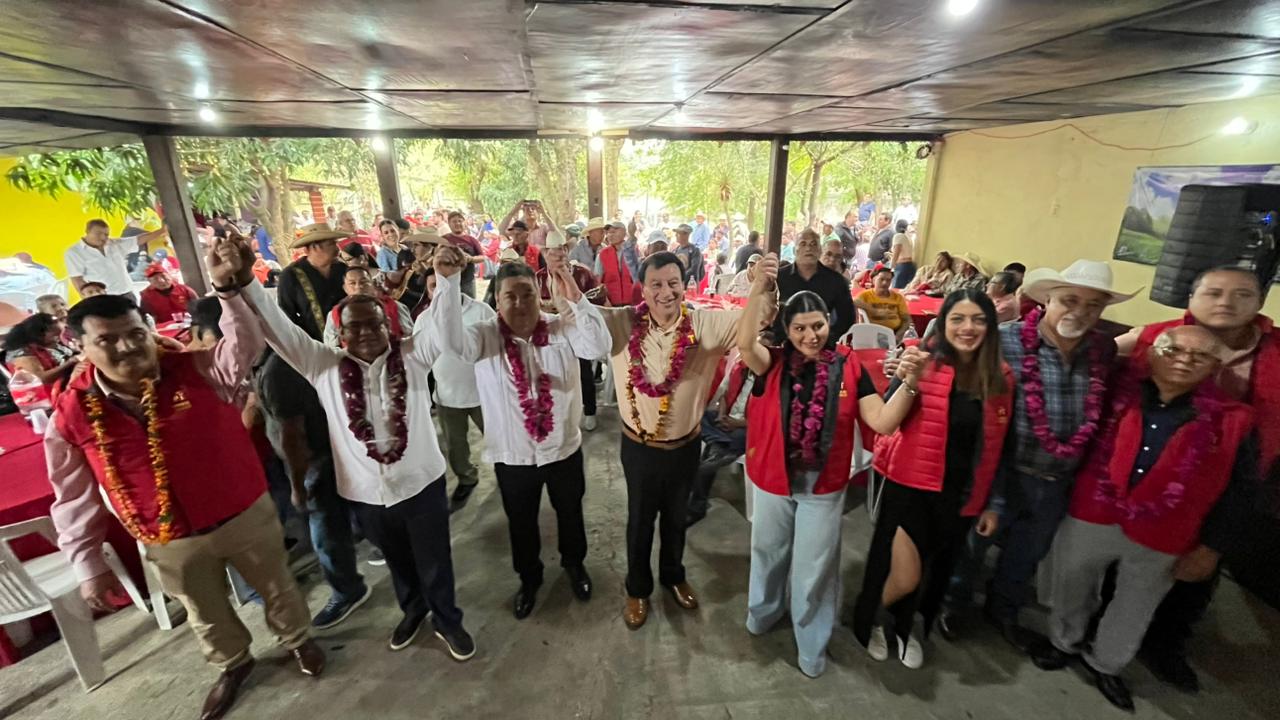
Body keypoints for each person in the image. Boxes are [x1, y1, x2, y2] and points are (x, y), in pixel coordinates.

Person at [46, 241, 323, 720]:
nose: (126, 346)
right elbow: (72, 498)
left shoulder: (196, 367)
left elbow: (245, 346)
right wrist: (88, 563)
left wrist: (227, 291)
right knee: (203, 609)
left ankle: (298, 641)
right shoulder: (71, 414)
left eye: (133, 333)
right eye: (106, 340)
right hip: (166, 534)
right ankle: (234, 664)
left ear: (149, 330)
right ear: (82, 347)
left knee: (278, 586)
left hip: (243, 512)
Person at [233, 235, 476, 661]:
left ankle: (447, 620)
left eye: (373, 324)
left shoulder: (414, 355)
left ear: (388, 327)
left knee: (436, 561)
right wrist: (244, 284)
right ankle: (413, 611)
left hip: (421, 485)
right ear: (338, 335)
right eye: (354, 327)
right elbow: (277, 328)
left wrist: (448, 280)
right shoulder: (323, 365)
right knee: (398, 565)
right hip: (365, 493)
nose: (365, 333)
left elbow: (443, 327)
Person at [1029, 325, 1256, 712]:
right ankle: (1064, 642)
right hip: (1093, 509)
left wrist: (1213, 548)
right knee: (1072, 580)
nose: (1184, 359)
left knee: (1138, 601)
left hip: (1167, 530)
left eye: (1200, 355)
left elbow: (1242, 491)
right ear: (1152, 354)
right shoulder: (1113, 390)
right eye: (1173, 349)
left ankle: (1106, 663)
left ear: (1216, 366)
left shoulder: (1236, 420)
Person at [740, 256, 928, 677]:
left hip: (823, 488)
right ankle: (763, 613)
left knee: (813, 571)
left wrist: (911, 383)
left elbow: (881, 420)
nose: (811, 335)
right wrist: (758, 289)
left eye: (818, 325)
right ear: (786, 332)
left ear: (830, 322)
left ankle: (811, 646)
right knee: (767, 555)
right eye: (800, 328)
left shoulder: (850, 365)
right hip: (773, 479)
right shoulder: (770, 363)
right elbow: (744, 343)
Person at [940, 260, 1135, 646]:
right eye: (1070, 300)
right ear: (1047, 300)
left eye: (1092, 305)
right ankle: (952, 605)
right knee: (970, 547)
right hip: (1001, 472)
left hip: (1059, 480)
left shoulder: (1102, 349)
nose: (1079, 311)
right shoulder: (1004, 340)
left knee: (1025, 556)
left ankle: (1003, 612)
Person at [1114, 265, 1279, 693]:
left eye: (1242, 294)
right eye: (1214, 292)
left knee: (1199, 570)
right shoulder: (1156, 336)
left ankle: (1166, 644)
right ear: (1191, 299)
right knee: (1132, 563)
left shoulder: (1275, 354)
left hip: (1231, 481)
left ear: (1260, 302)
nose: (1226, 302)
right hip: (1146, 473)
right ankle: (1110, 634)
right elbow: (1103, 353)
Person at [433, 252, 611, 620]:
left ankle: (574, 565)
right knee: (521, 522)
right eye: (509, 296)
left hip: (563, 449)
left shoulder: (561, 328)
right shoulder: (483, 337)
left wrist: (573, 291)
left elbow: (599, 348)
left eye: (527, 293)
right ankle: (529, 579)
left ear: (539, 292)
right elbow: (450, 344)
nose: (519, 303)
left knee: (570, 512)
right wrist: (448, 283)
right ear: (496, 301)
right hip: (514, 457)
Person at [853, 289, 1013, 669]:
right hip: (911, 486)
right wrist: (908, 375)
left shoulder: (1001, 377)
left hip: (961, 495)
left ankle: (910, 628)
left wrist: (992, 501)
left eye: (977, 319)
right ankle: (871, 620)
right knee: (900, 573)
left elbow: (1002, 445)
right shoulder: (923, 361)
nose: (967, 327)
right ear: (944, 324)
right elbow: (888, 419)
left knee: (936, 573)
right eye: (957, 318)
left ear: (990, 326)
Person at [599, 252, 743, 629]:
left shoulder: (702, 325)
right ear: (642, 289)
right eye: (657, 284)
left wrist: (763, 285)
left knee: (677, 519)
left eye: (673, 283)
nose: (666, 292)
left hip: (686, 446)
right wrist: (563, 279)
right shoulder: (622, 323)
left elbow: (752, 322)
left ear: (685, 285)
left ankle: (674, 576)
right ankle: (637, 588)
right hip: (639, 448)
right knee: (640, 520)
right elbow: (579, 321)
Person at [774, 229, 856, 347]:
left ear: (819, 251)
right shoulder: (778, 278)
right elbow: (766, 314)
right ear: (794, 250)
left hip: (820, 346)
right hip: (783, 345)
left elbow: (847, 318)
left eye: (813, 244)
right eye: (803, 244)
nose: (808, 248)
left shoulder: (836, 281)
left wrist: (826, 339)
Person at [276, 223, 351, 340]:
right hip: (315, 343)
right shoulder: (290, 275)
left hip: (348, 340)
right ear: (314, 248)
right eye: (332, 244)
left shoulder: (342, 269)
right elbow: (286, 315)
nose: (338, 249)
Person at [65, 219, 167, 297]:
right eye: (98, 234)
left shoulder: (114, 244)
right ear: (87, 231)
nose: (103, 237)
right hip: (104, 298)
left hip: (127, 293)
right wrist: (87, 300)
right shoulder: (74, 252)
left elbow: (139, 240)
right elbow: (77, 279)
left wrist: (162, 230)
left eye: (106, 234)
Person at [323, 267, 413, 346]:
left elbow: (410, 338)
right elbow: (331, 347)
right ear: (345, 288)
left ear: (372, 285)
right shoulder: (335, 314)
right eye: (352, 283)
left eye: (364, 282)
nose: (359, 287)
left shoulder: (395, 306)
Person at [3, 312, 78, 386]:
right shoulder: (22, 352)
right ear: (39, 334)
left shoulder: (49, 343)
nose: (58, 339)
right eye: (55, 336)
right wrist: (70, 362)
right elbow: (40, 379)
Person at [388, 228, 441, 313]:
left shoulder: (440, 268)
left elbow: (437, 295)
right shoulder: (414, 266)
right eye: (413, 245)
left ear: (429, 247)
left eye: (416, 245)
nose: (412, 250)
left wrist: (425, 273)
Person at [854, 266, 911, 343]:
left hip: (894, 333)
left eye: (888, 280)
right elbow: (854, 301)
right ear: (873, 280)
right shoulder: (866, 295)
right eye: (881, 279)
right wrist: (875, 311)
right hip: (873, 335)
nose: (885, 283)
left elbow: (906, 320)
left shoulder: (898, 297)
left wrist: (899, 334)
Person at [443, 211, 487, 298]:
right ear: (449, 224)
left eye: (460, 221)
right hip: (448, 281)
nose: (457, 223)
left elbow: (483, 257)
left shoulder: (471, 240)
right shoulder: (444, 239)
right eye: (454, 221)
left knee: (470, 306)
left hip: (468, 280)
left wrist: (471, 259)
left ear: (464, 223)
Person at [595, 218, 637, 307]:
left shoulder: (633, 252)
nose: (610, 235)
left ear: (624, 233)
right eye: (608, 233)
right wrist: (604, 300)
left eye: (614, 231)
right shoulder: (602, 254)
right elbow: (597, 282)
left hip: (633, 302)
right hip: (611, 303)